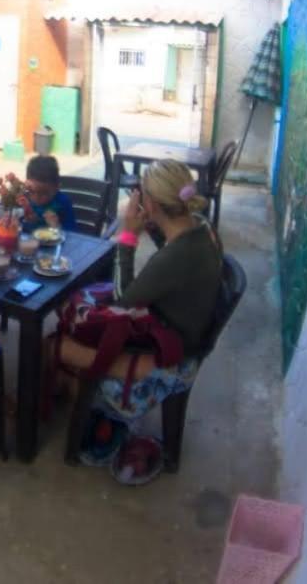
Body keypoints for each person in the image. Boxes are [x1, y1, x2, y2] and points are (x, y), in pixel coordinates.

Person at [57, 160, 224, 478]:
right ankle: (82, 395)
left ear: (151, 203)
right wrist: (149, 226)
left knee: (59, 345)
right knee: (81, 318)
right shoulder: (200, 226)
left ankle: (86, 402)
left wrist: (128, 237)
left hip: (170, 353)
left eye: (142, 194)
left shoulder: (177, 258)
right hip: (185, 330)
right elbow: (169, 250)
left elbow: (124, 299)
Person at [20, 154, 78, 232]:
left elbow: (72, 234)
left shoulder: (63, 202)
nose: (37, 197)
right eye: (32, 191)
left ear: (57, 188)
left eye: (44, 193)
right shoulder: (23, 198)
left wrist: (57, 227)